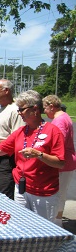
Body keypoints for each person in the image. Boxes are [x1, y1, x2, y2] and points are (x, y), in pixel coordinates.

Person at [0, 90, 65, 223]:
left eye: (22, 109)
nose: (19, 112)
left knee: (43, 230)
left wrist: (39, 155)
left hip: (43, 193)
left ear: (35, 110)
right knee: (21, 224)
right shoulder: (21, 132)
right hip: (21, 189)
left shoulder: (53, 131)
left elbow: (60, 162)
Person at [42, 95, 76, 227]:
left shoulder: (59, 120)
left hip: (62, 163)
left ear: (51, 106)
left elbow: (58, 142)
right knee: (61, 193)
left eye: (45, 108)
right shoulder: (64, 116)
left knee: (57, 193)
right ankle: (58, 220)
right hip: (67, 161)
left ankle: (56, 223)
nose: (44, 111)